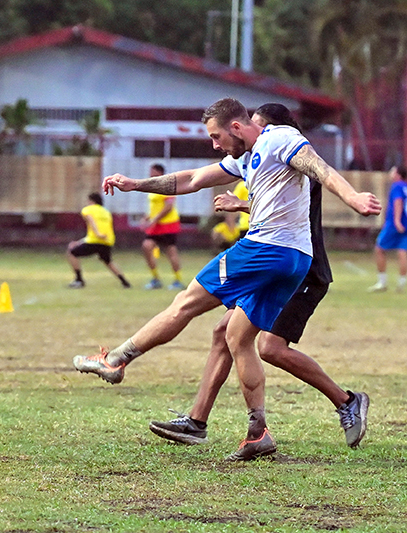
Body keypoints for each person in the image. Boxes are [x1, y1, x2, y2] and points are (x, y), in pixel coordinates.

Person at [73, 97, 380, 461]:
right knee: (235, 336)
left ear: (237, 127)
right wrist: (136, 184)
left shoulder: (279, 138)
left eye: (217, 137)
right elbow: (192, 179)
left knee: (187, 302)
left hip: (266, 249)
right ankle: (256, 432)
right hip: (294, 260)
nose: (215, 145)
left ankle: (117, 360)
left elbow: (321, 168)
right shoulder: (246, 158)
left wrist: (354, 198)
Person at [149, 103, 369, 450]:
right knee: (224, 331)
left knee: (269, 347)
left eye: (258, 124)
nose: (252, 131)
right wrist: (241, 205)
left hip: (301, 272)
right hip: (274, 265)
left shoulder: (293, 159)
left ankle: (346, 401)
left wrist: (354, 197)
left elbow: (294, 204)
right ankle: (197, 421)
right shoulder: (264, 160)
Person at [66, 192, 131, 289]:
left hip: (95, 240)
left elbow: (91, 221)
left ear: (91, 201)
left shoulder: (88, 209)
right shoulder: (106, 212)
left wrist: (98, 234)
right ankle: (124, 282)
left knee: (72, 253)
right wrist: (80, 241)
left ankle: (79, 280)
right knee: (108, 261)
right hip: (107, 241)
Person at [142, 164, 185, 290]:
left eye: (152, 171)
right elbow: (155, 207)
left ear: (159, 172)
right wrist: (147, 217)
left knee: (170, 251)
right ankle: (155, 279)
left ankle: (178, 280)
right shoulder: (152, 187)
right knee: (146, 247)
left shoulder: (166, 185)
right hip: (155, 225)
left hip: (168, 224)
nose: (150, 173)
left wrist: (154, 219)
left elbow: (168, 206)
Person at [368, 165, 407, 292]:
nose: (390, 173)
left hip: (394, 224)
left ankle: (382, 282)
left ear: (398, 174)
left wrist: (396, 220)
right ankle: (402, 283)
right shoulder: (405, 187)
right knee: (402, 252)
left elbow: (398, 202)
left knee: (379, 248)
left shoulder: (397, 186)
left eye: (393, 171)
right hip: (405, 223)